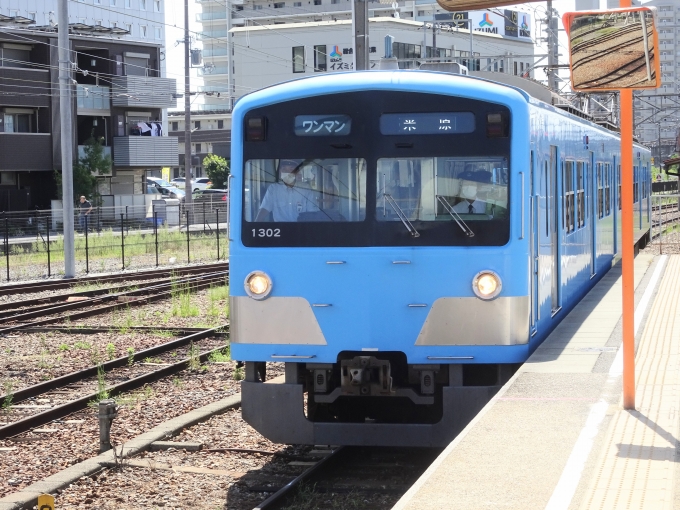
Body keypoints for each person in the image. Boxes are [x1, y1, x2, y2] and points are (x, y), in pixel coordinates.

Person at [255, 159, 320, 221]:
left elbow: (312, 212)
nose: (287, 172)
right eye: (284, 169)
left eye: (291, 169)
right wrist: (256, 225)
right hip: (280, 230)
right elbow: (265, 208)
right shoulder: (273, 189)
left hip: (300, 229)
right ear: (280, 172)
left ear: (296, 172)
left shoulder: (305, 188)